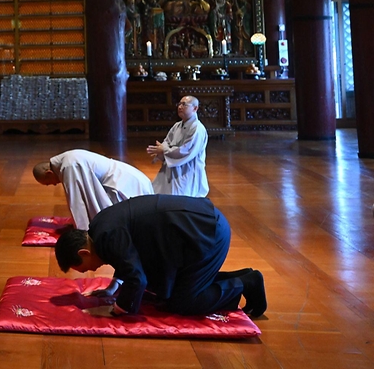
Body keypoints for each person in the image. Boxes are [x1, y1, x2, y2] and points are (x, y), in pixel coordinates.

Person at [54, 195, 267, 318]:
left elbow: (137, 278)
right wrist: (113, 287)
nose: (90, 270)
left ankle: (245, 283)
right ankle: (245, 277)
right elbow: (125, 255)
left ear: (84, 252)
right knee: (164, 295)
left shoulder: (107, 236)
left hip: (205, 233)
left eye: (84, 268)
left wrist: (115, 309)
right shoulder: (100, 228)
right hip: (194, 230)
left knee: (183, 303)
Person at [33, 149, 154, 231]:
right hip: (128, 177)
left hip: (125, 184)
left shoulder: (69, 165)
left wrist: (83, 230)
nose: (54, 185)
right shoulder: (67, 158)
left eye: (49, 183)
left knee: (123, 223)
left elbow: (77, 201)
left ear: (49, 173)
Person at [147, 95, 209, 197]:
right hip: (172, 170)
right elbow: (167, 142)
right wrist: (160, 152)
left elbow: (186, 151)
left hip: (187, 173)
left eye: (184, 104)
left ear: (195, 108)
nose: (180, 107)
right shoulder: (177, 126)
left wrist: (164, 150)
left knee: (181, 200)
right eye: (179, 104)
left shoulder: (197, 129)